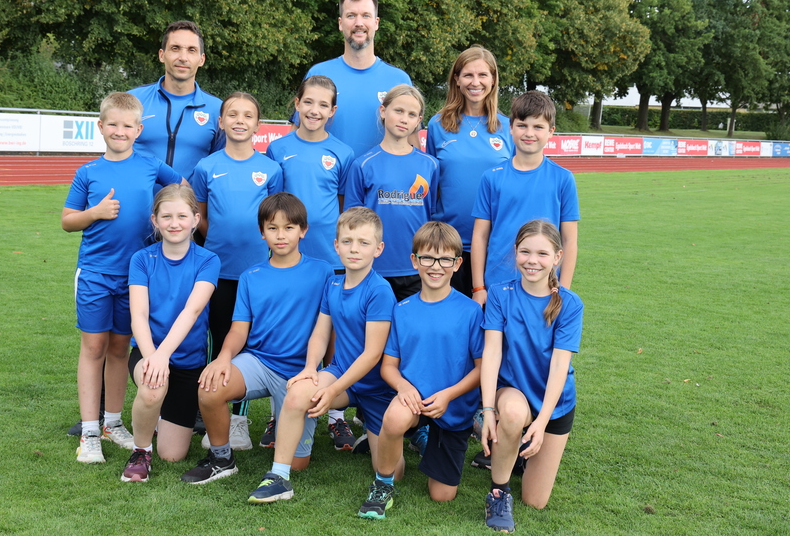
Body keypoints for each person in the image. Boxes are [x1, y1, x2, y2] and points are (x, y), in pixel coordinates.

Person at [180, 193, 334, 484]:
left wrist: (325, 371)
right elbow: (239, 329)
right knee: (210, 387)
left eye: (289, 227)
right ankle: (222, 458)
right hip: (259, 362)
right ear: (262, 232)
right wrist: (223, 359)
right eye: (272, 228)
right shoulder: (251, 276)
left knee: (298, 464)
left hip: (301, 372)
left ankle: (284, 425)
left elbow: (329, 326)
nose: (281, 235)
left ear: (303, 230)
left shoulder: (323, 271)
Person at [62, 92, 182, 463]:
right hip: (97, 274)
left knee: (118, 349)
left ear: (138, 129)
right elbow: (68, 221)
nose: (119, 130)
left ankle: (114, 423)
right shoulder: (88, 172)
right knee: (93, 348)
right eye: (112, 124)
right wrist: (95, 212)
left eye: (127, 125)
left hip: (136, 277)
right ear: (100, 127)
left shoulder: (151, 165)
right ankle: (90, 431)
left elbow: (182, 190)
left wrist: (168, 222)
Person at [246, 207, 396, 503]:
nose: (355, 249)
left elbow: (371, 354)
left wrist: (332, 392)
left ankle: (386, 436)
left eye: (364, 243)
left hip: (377, 387)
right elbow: (321, 332)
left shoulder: (379, 290)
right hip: (342, 372)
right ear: (336, 245)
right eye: (348, 241)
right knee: (298, 393)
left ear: (378, 249)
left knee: (393, 470)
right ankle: (279, 476)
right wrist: (311, 368)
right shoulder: (334, 283)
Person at [358, 222, 484, 520]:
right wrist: (403, 387)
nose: (435, 266)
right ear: (414, 261)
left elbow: (481, 368)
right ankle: (383, 484)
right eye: (427, 258)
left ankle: (432, 438)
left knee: (442, 496)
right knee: (395, 416)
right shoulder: (402, 309)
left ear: (457, 264)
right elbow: (388, 367)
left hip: (451, 406)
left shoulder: (470, 311)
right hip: (414, 399)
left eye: (445, 260)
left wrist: (449, 395)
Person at [266, 75, 356, 448]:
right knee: (290, 333)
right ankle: (278, 414)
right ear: (296, 103)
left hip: (329, 259)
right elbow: (272, 207)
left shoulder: (342, 153)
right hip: (288, 259)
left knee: (334, 336)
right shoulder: (277, 149)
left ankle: (335, 414)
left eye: (323, 105)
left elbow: (343, 206)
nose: (314, 110)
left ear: (332, 112)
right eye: (309, 102)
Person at [190, 92, 283, 450]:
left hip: (257, 273)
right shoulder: (207, 167)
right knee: (217, 343)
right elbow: (201, 216)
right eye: (232, 114)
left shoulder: (272, 169)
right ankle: (217, 413)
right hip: (218, 273)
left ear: (258, 125)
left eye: (248, 115)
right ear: (221, 122)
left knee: (249, 346)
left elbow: (276, 218)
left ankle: (240, 422)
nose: (240, 120)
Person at [479, 220, 583, 532]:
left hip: (555, 403)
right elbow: (492, 354)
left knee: (536, 501)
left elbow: (558, 367)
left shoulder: (569, 303)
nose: (532, 260)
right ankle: (499, 491)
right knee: (510, 413)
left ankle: (517, 450)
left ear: (558, 257)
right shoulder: (500, 294)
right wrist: (486, 410)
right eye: (525, 252)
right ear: (515, 252)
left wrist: (541, 422)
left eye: (542, 253)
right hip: (514, 392)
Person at [120, 184, 219, 483]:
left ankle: (159, 419)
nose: (174, 223)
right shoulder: (141, 259)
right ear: (155, 221)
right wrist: (153, 357)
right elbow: (138, 315)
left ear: (195, 219)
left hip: (187, 359)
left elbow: (191, 312)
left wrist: (166, 355)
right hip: (148, 351)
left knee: (173, 454)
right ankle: (140, 450)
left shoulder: (208, 261)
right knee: (152, 387)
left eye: (181, 216)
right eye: (166, 217)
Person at [470, 90, 579, 308]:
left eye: (538, 126)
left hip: (545, 288)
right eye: (522, 125)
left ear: (551, 132)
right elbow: (480, 236)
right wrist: (478, 287)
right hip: (496, 285)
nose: (529, 133)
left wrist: (563, 290)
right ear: (510, 128)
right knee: (493, 342)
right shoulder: (492, 178)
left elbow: (569, 240)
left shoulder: (563, 179)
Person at [426, 46, 513, 297]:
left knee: (493, 328)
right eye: (468, 75)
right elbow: (433, 185)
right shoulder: (437, 124)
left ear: (494, 79)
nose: (476, 82)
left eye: (483, 75)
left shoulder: (508, 127)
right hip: (448, 246)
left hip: (496, 247)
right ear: (456, 79)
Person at [293, 0, 413, 159]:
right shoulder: (318, 74)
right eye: (351, 16)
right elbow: (296, 135)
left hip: (378, 184)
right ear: (340, 23)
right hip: (329, 183)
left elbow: (412, 143)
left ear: (376, 23)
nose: (359, 23)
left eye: (366, 15)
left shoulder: (399, 80)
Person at [344, 85, 438, 301]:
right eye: (398, 111)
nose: (404, 119)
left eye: (411, 114)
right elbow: (353, 222)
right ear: (383, 111)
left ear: (418, 121)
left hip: (416, 268)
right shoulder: (363, 165)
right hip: (373, 269)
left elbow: (430, 216)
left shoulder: (430, 165)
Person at [129, 20, 223, 181]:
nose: (183, 57)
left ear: (201, 59)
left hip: (190, 206)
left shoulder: (218, 110)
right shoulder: (133, 101)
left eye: (191, 50)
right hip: (138, 205)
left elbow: (220, 167)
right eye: (175, 48)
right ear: (161, 55)